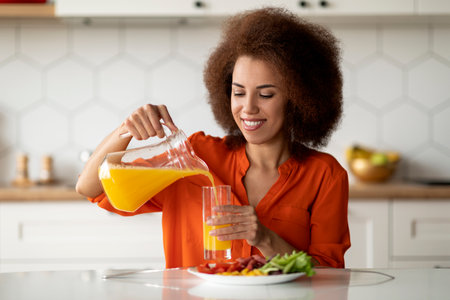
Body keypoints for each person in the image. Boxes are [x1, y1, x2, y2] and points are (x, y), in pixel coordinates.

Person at [76, 7, 350, 269]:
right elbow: (91, 188)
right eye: (239, 92)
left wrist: (266, 239)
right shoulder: (193, 157)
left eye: (266, 94)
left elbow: (329, 276)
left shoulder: (325, 175)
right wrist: (126, 130)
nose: (248, 108)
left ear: (299, 98)